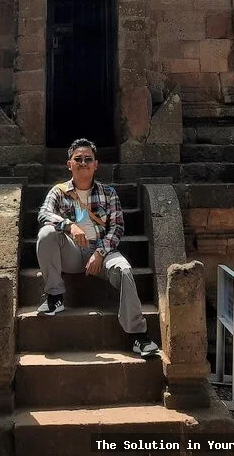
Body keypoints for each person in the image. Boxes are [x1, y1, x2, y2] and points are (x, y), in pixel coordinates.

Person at [36, 138, 160, 358]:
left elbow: (117, 227)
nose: (83, 163)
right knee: (46, 233)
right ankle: (55, 296)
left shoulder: (108, 193)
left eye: (88, 159)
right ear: (69, 164)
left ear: (96, 165)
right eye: (78, 159)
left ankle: (138, 335)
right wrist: (70, 226)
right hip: (72, 251)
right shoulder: (59, 191)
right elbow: (44, 214)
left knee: (124, 270)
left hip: (104, 251)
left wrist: (100, 253)